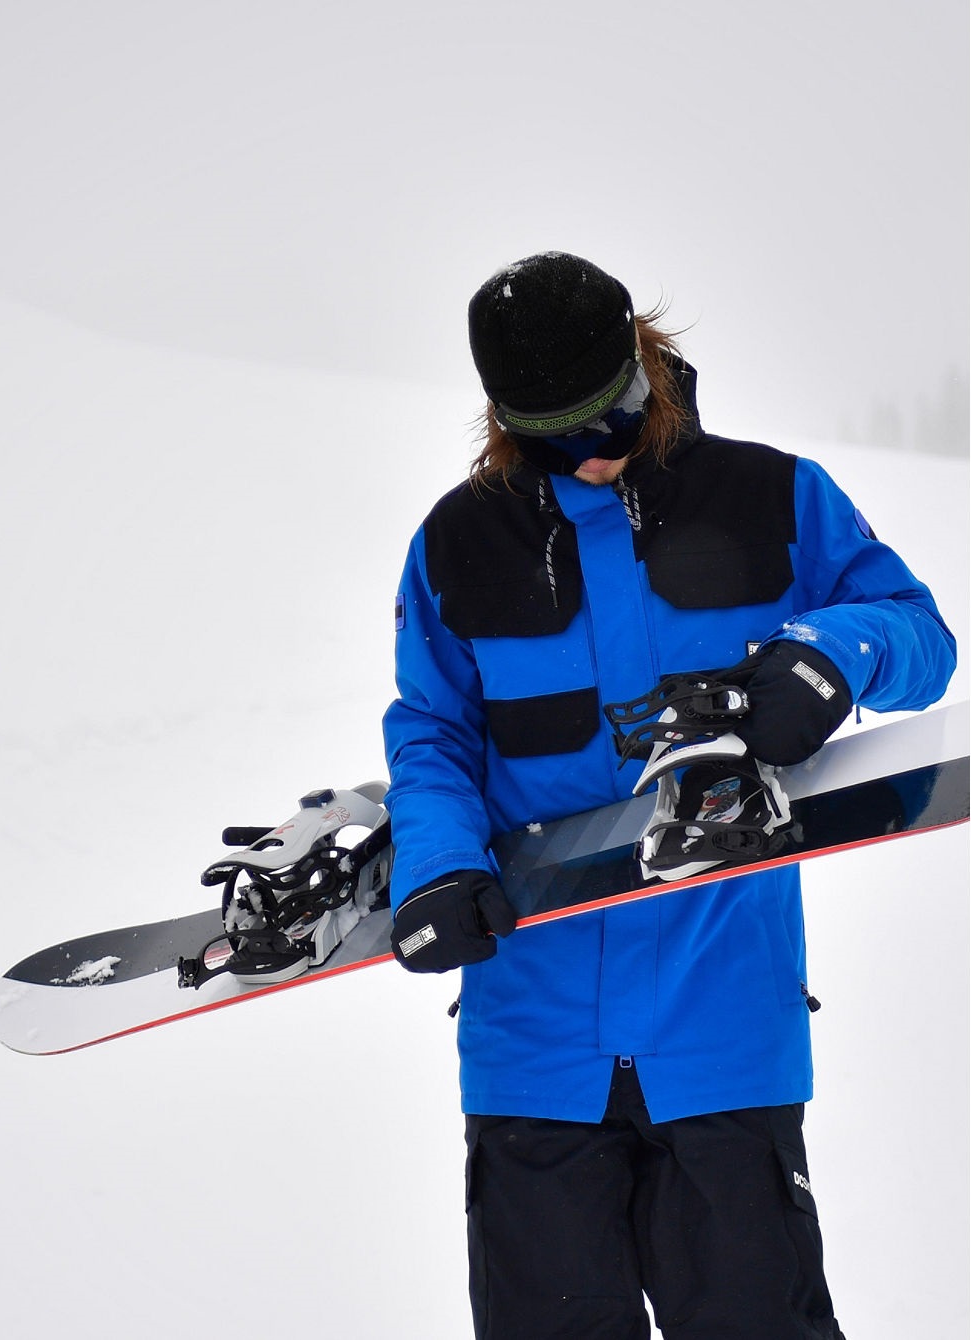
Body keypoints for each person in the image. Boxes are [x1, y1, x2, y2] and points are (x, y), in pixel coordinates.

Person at [382, 251, 956, 1340]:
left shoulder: (773, 496)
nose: (592, 457)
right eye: (554, 439)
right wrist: (440, 858)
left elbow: (920, 638)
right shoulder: (457, 544)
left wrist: (832, 654)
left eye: (608, 420)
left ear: (645, 366)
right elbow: (433, 732)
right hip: (532, 1051)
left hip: (725, 1029)